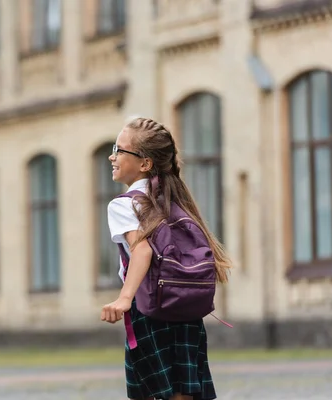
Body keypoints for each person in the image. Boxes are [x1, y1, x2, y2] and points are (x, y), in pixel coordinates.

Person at [101, 117, 231, 400]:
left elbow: (142, 250)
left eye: (120, 150)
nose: (113, 156)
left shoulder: (124, 204)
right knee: (184, 391)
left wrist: (125, 298)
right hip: (184, 309)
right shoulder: (172, 199)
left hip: (149, 310)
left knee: (151, 391)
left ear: (145, 164)